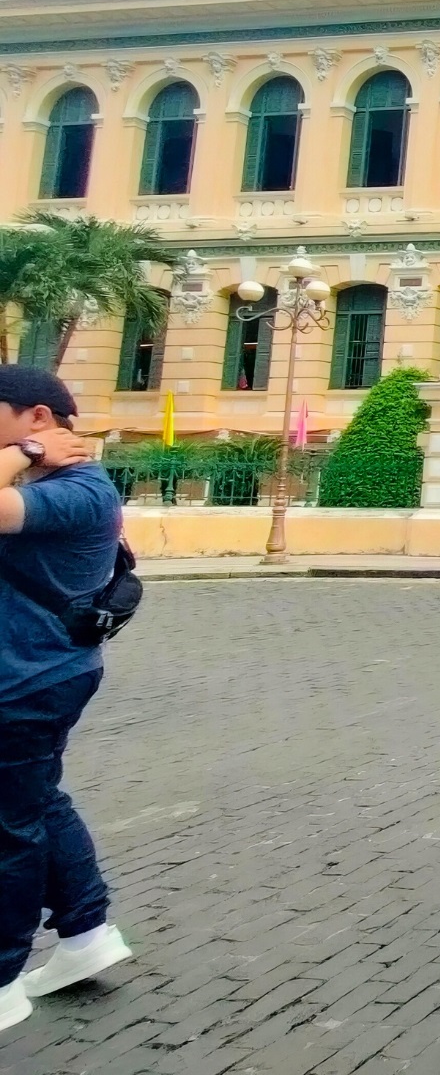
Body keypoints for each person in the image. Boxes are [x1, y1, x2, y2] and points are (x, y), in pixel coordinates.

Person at [0, 367, 133, 1034]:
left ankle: (2, 982)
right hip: (34, 673)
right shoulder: (45, 479)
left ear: (39, 419)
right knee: (37, 803)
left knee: (7, 828)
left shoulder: (76, 487)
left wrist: (22, 455)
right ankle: (86, 934)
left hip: (28, 681)